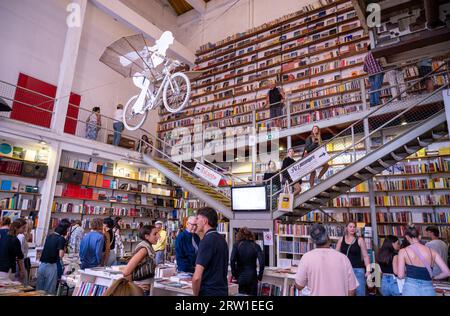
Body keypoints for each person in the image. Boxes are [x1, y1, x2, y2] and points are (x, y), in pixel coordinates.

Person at [294, 223, 358, 296]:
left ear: (313, 241)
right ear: (328, 238)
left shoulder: (306, 257)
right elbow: (352, 289)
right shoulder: (343, 258)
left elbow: (299, 286)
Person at [397, 225, 450, 296]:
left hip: (410, 288)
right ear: (419, 236)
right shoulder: (432, 252)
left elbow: (400, 275)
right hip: (428, 289)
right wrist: (435, 277)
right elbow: (447, 272)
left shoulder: (403, 251)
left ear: (407, 237)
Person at [192, 207, 229, 296]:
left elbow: (196, 277)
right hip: (222, 291)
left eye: (197, 218)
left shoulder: (206, 241)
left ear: (205, 221)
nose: (195, 222)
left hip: (208, 291)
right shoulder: (222, 239)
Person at [336, 221, 371, 296]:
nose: (352, 228)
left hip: (358, 270)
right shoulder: (341, 239)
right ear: (346, 228)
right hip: (345, 270)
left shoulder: (360, 240)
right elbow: (336, 255)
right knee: (344, 293)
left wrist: (368, 272)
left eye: (354, 227)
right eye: (350, 226)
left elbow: (365, 256)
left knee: (360, 293)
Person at [122, 225, 158, 296]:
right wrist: (134, 285)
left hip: (145, 288)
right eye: (155, 234)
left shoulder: (148, 246)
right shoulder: (144, 249)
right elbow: (126, 272)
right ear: (147, 236)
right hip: (141, 290)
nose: (158, 236)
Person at [230, 227, 265, 296]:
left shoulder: (236, 246)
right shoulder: (256, 246)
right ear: (251, 235)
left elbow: (232, 260)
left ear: (239, 235)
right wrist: (260, 276)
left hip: (241, 276)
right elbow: (262, 262)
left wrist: (234, 274)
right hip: (252, 276)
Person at [36, 224, 68, 294]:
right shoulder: (61, 239)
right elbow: (61, 255)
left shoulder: (49, 236)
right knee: (49, 289)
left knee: (39, 289)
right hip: (51, 265)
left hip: (42, 264)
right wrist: (64, 247)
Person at [16, 219, 30, 285]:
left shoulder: (18, 236)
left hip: (19, 263)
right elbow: (20, 254)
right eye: (23, 228)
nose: (24, 230)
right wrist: (21, 269)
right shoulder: (21, 236)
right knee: (22, 285)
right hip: (20, 264)